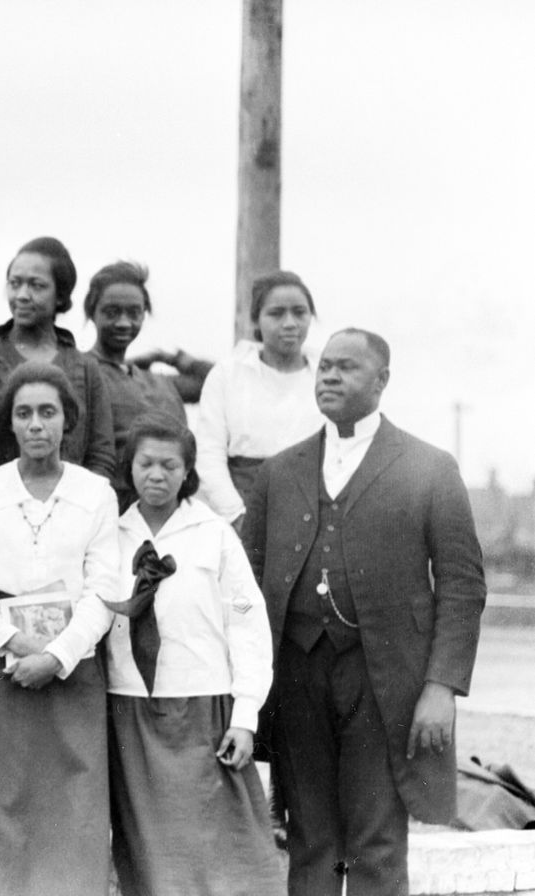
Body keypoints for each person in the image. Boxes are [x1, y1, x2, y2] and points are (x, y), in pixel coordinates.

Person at [244, 329, 486, 896]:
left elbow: (463, 584)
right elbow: (245, 582)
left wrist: (441, 687)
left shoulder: (429, 467)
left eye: (347, 367)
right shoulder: (279, 472)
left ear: (382, 381)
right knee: (309, 839)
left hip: (385, 680)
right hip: (296, 675)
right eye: (324, 365)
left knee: (376, 841)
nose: (329, 375)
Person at [0, 361, 119, 895]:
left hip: (72, 670)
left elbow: (104, 590)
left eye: (48, 412)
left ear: (68, 420)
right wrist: (11, 640)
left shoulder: (96, 493)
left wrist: (58, 656)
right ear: (10, 422)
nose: (36, 424)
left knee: (71, 809)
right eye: (24, 413)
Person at [105, 414, 283, 896]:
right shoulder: (110, 534)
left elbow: (246, 621)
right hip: (130, 707)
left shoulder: (214, 534)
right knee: (149, 846)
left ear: (188, 472)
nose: (156, 475)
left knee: (218, 843)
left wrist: (244, 716)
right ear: (129, 467)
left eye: (169, 465)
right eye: (146, 463)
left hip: (203, 709)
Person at [0, 236, 114, 478]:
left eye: (36, 285)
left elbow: (101, 454)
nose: (22, 295)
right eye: (15, 283)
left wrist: (82, 496)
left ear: (60, 295)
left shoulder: (85, 368)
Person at [195, 270, 325, 526]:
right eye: (276, 313)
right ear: (256, 319)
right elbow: (209, 453)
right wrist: (236, 515)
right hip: (243, 508)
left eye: (300, 312)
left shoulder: (326, 375)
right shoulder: (227, 374)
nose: (290, 323)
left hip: (315, 512)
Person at [81, 261, 212, 476]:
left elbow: (218, 383)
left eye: (134, 313)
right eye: (112, 312)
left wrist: (169, 357)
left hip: (171, 491)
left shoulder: (158, 381)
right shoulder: (81, 370)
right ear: (92, 312)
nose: (124, 323)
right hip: (113, 492)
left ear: (144, 314)